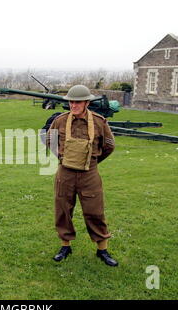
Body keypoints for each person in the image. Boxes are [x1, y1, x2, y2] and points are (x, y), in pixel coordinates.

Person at [46, 84, 118, 267]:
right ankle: (65, 246)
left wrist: (92, 161)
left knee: (95, 211)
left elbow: (109, 146)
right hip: (65, 173)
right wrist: (62, 156)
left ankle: (102, 250)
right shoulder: (60, 121)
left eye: (77, 102)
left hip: (89, 174)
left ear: (86, 102)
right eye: (71, 102)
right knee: (63, 210)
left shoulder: (100, 121)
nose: (73, 105)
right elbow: (49, 139)